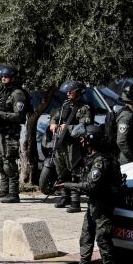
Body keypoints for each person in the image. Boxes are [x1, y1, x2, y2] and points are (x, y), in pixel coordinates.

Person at [59, 124, 122, 264]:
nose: (81, 141)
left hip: (103, 208)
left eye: (83, 138)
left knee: (103, 242)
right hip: (94, 207)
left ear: (91, 140)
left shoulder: (101, 161)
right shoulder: (94, 158)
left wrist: (68, 185)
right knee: (85, 239)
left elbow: (91, 186)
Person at [0, 65, 31, 204]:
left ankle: (14, 193)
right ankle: (4, 189)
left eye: (6, 77)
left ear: (12, 78)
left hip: (10, 133)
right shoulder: (1, 91)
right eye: (2, 77)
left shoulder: (17, 94)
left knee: (9, 163)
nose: (3, 79)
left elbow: (18, 116)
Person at [49, 81, 94, 213]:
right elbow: (56, 116)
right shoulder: (65, 105)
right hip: (61, 142)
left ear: (78, 92)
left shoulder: (84, 108)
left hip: (74, 144)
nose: (68, 93)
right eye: (67, 91)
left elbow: (84, 126)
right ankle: (64, 196)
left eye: (71, 91)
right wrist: (53, 123)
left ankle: (75, 201)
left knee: (75, 172)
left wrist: (67, 128)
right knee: (61, 170)